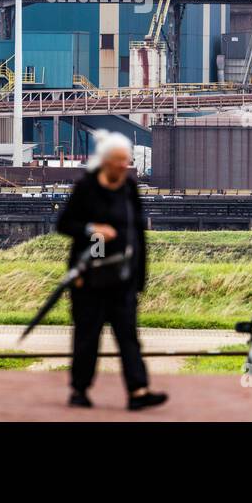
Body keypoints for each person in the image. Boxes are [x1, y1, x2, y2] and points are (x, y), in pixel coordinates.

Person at [56, 131, 167, 411]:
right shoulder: (86, 188)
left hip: (122, 279)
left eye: (125, 161)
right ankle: (79, 390)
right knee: (87, 337)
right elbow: (64, 224)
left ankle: (138, 391)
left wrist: (140, 278)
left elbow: (138, 234)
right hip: (90, 279)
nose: (123, 165)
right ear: (105, 161)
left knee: (128, 337)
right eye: (118, 161)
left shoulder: (129, 190)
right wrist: (92, 229)